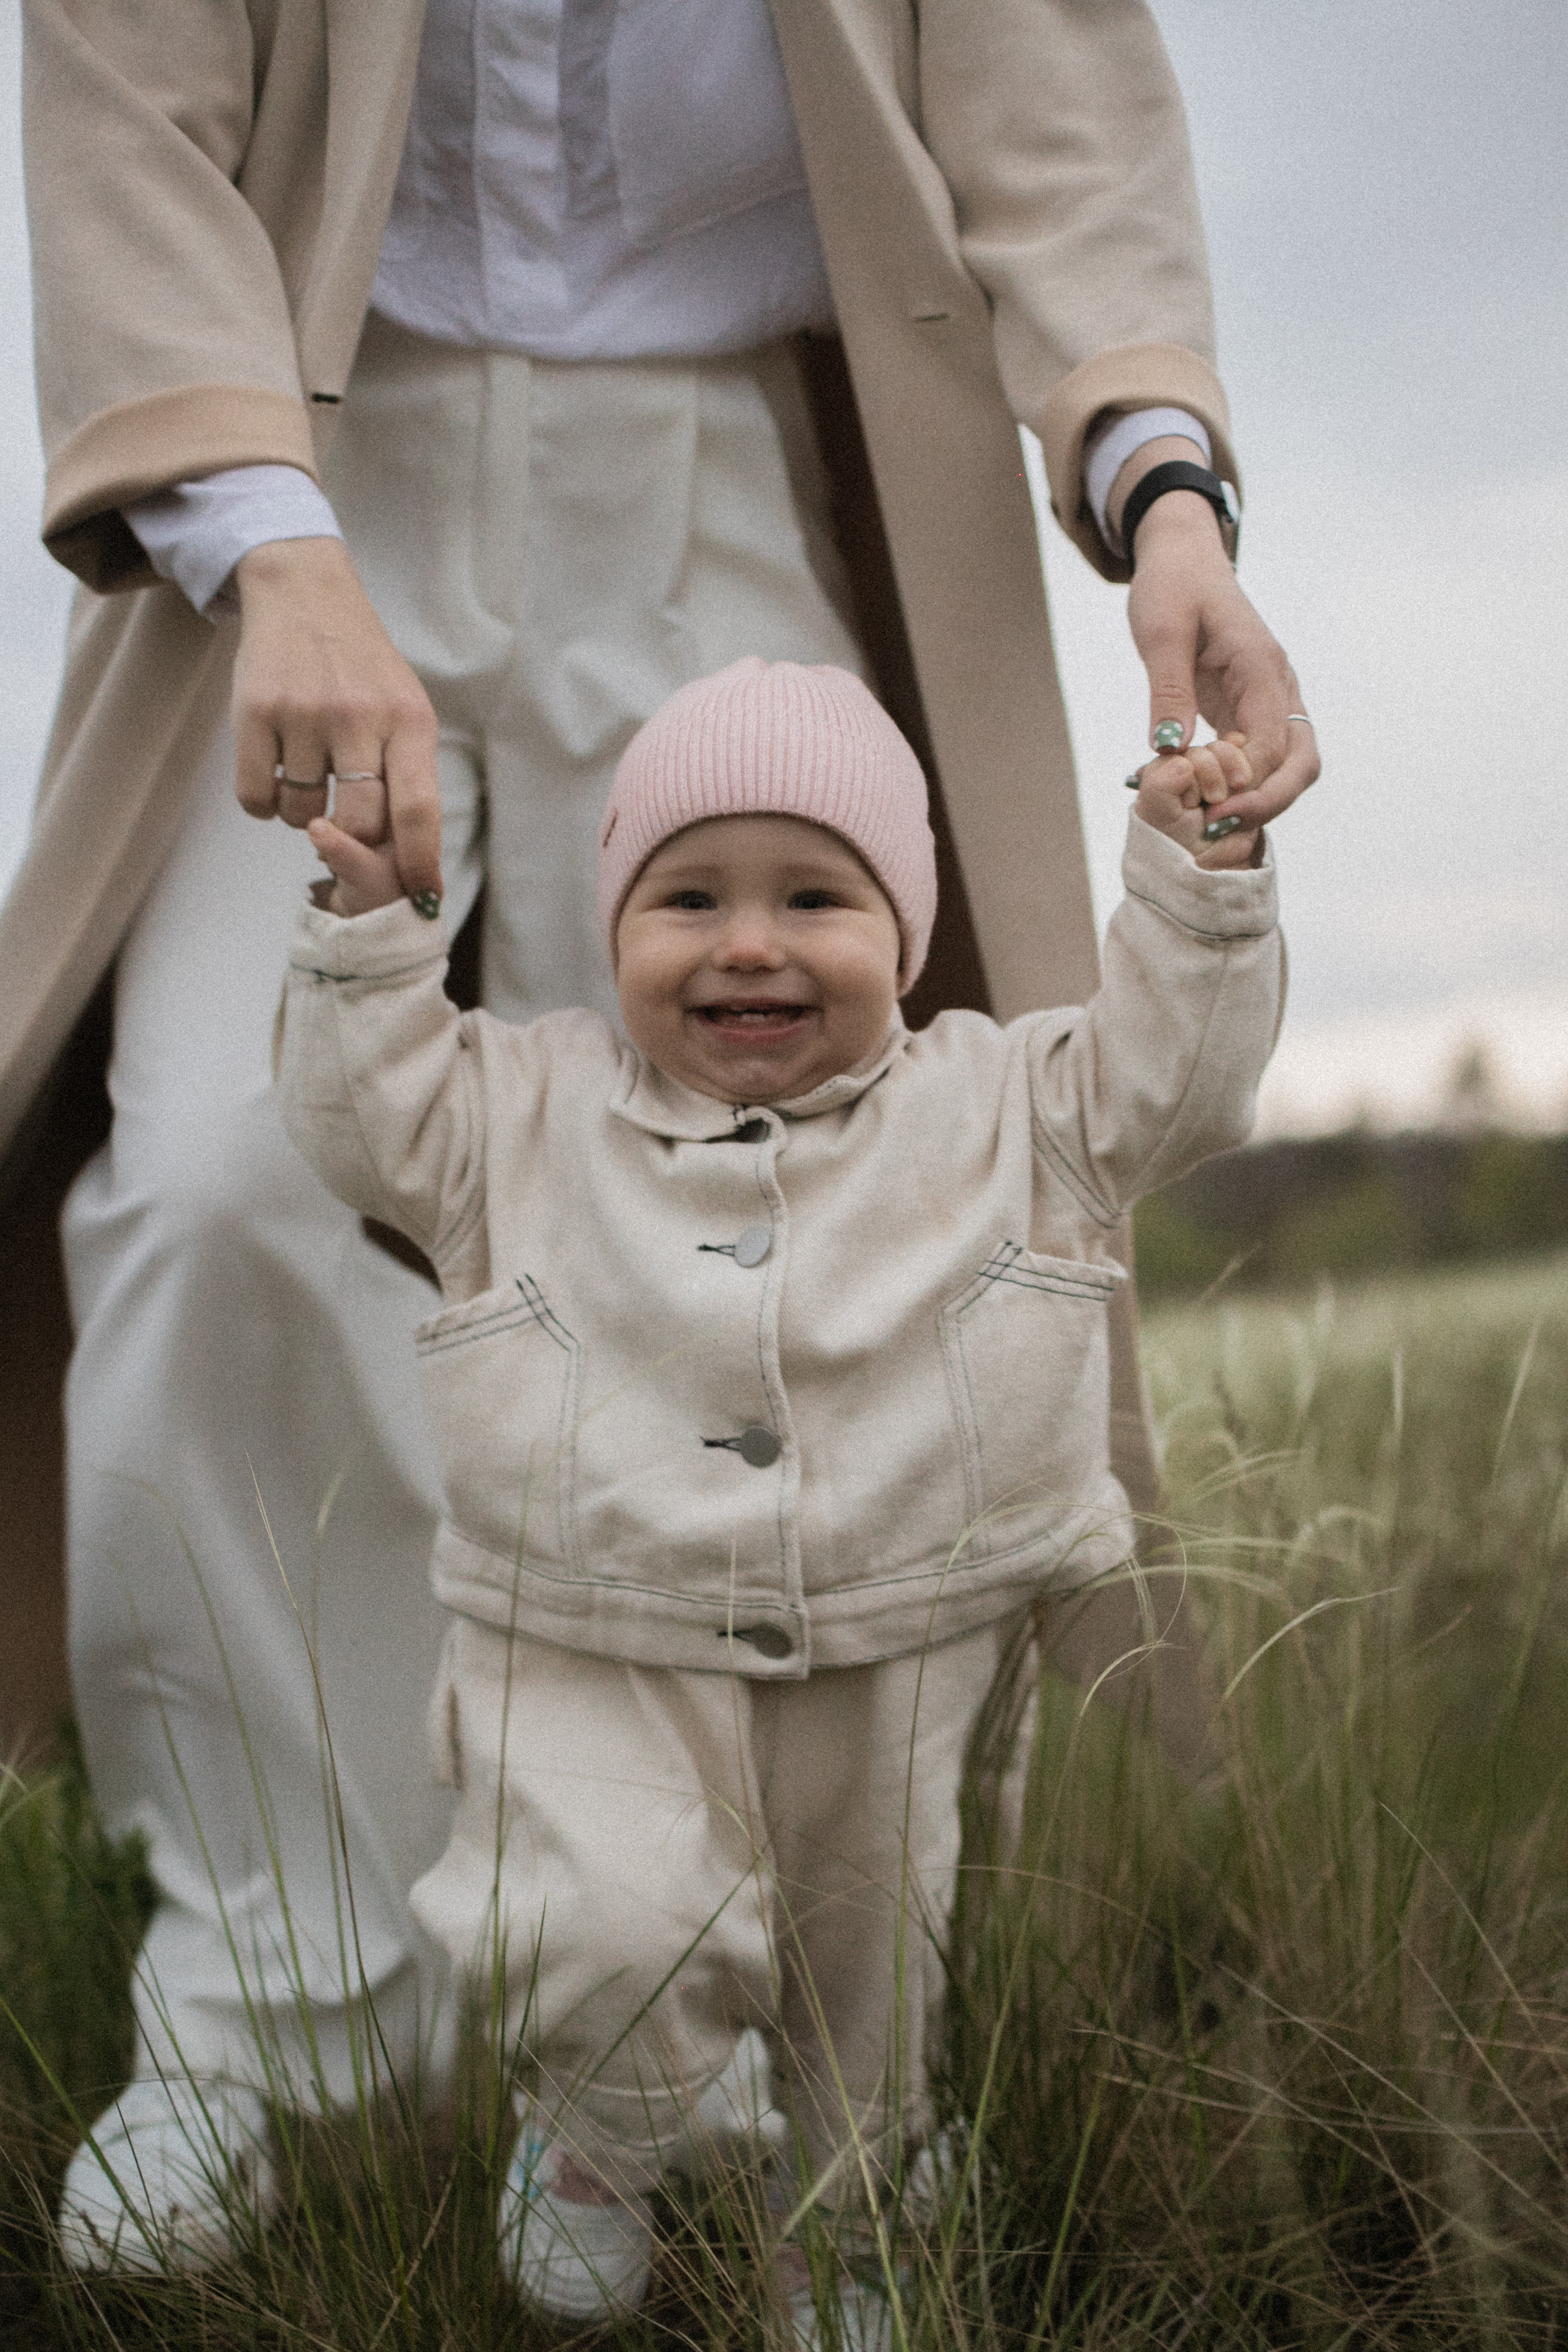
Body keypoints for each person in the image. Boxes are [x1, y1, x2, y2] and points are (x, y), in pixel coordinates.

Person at [5, 0, 1316, 2277]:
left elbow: (1057, 104)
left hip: (741, 461)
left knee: (811, 1238)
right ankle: (283, 1988)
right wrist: (271, 545)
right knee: (217, 1182)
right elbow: (129, 111)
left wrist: (1164, 489)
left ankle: (778, 2068)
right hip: (310, 471)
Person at [266, 655, 1283, 2342]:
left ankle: (854, 2231)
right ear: (613, 932)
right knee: (600, 1939)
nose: (748, 941)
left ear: (907, 927)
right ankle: (596, 2144)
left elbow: (1183, 1079)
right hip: (590, 1641)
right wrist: (373, 926)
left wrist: (1202, 878)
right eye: (688, 897)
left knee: (875, 1989)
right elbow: (355, 1113)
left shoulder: (1010, 1101)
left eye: (816, 893)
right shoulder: (516, 1111)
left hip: (904, 1644)